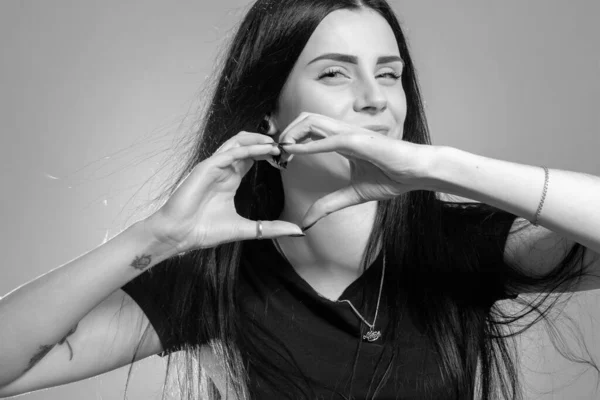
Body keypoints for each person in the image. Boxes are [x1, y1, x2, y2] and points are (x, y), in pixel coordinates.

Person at [1, 0, 599, 399]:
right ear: (270, 109)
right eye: (336, 74)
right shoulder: (216, 281)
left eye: (389, 75)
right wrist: (157, 238)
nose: (374, 99)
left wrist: (441, 168)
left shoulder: (458, 246)